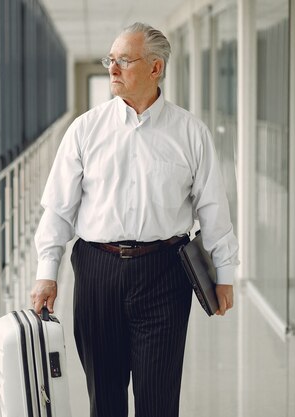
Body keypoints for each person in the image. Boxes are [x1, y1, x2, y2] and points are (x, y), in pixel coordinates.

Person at [30, 22, 239, 417]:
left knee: (158, 400)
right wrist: (47, 271)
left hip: (165, 273)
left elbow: (213, 208)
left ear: (156, 68)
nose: (112, 69)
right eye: (110, 60)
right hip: (97, 271)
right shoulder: (85, 130)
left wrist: (223, 273)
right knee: (105, 399)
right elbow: (59, 209)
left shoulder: (190, 132)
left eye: (124, 61)